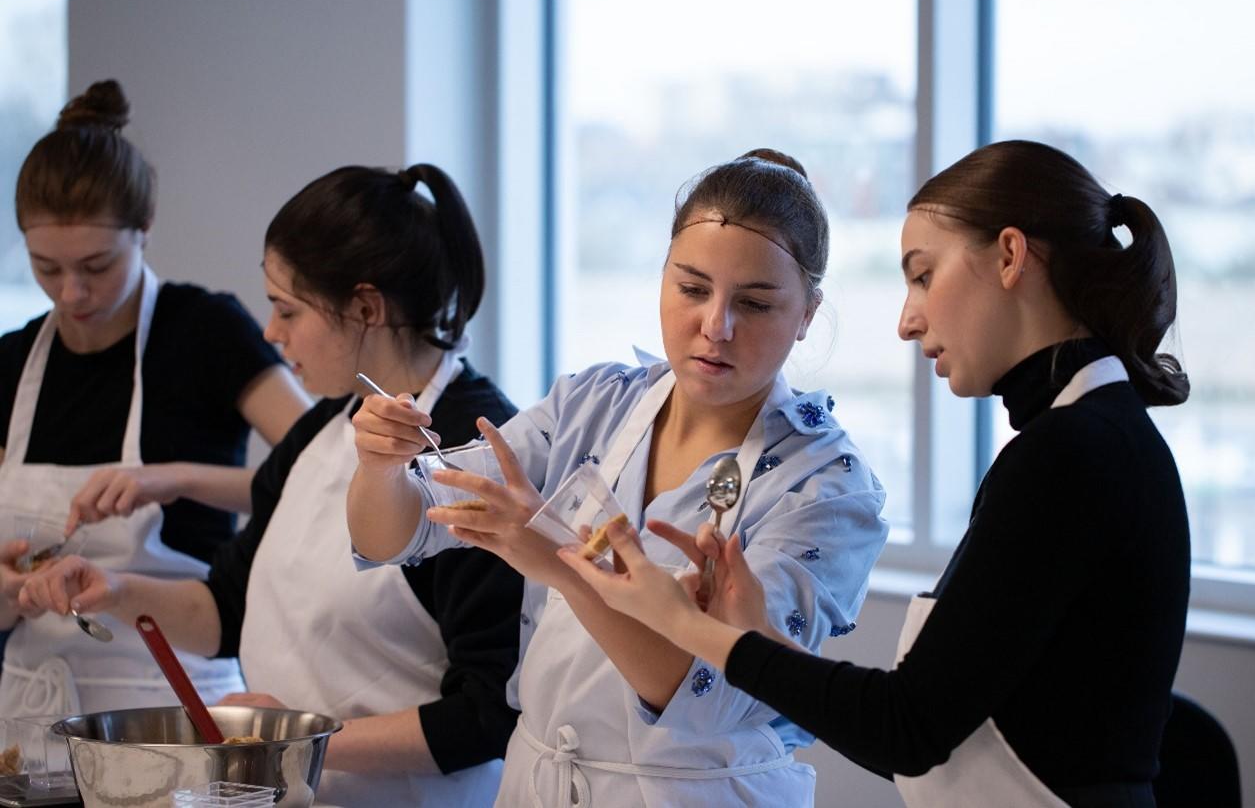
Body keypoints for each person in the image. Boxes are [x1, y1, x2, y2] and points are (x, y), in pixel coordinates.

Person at [561, 139, 1192, 808]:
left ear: (1009, 255)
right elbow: (929, 710)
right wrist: (757, 641)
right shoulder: (1086, 437)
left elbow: (908, 726)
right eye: (691, 287)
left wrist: (685, 625)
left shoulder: (1071, 454)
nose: (906, 319)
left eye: (922, 275)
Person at [348, 149, 889, 806]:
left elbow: (701, 694)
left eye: (754, 303)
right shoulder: (591, 404)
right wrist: (381, 467)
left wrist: (557, 560)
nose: (714, 326)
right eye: (691, 288)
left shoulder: (826, 486)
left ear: (806, 312)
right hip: (539, 779)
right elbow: (397, 533)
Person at [19, 163, 523, 806]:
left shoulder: (471, 453)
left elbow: (489, 711)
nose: (270, 332)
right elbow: (225, 611)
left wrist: (292, 742)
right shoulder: (319, 430)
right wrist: (114, 590)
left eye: (287, 309)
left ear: (365, 307)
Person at [0, 79, 308, 716]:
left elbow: (317, 473)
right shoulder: (11, 361)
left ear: (144, 228)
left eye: (96, 265)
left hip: (175, 689)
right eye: (46, 267)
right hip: (31, 702)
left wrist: (174, 479)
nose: (72, 292)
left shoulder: (204, 332)